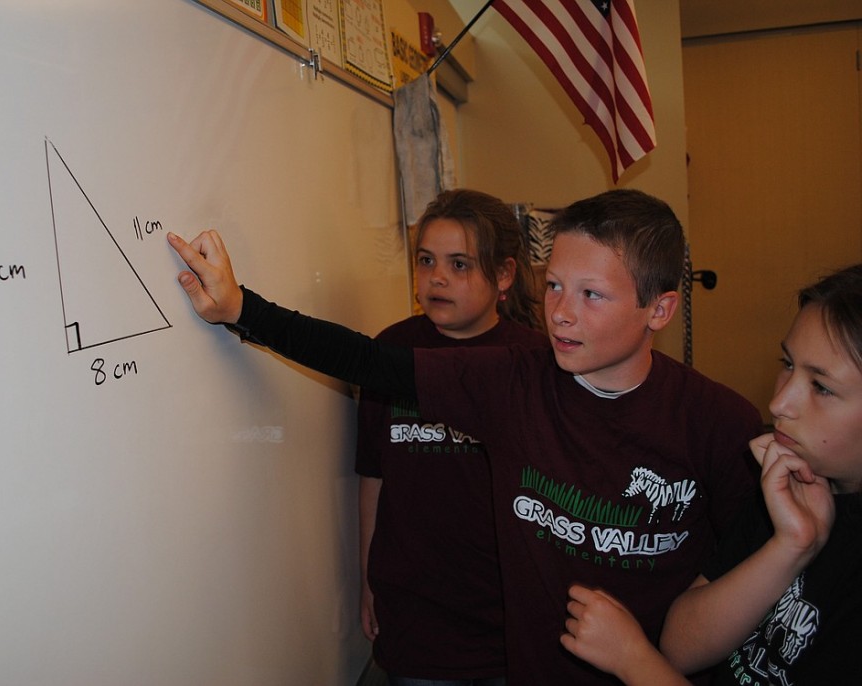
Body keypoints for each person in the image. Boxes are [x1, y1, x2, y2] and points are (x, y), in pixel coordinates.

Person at [166, 189, 762, 685]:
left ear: (659, 310)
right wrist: (241, 307)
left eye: (592, 295)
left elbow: (753, 590)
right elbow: (368, 361)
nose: (561, 312)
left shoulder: (721, 427)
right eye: (554, 286)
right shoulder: (514, 384)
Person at [560, 263, 862, 685]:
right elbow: (682, 645)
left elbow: (658, 658)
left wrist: (633, 659)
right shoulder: (794, 479)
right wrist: (792, 545)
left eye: (822, 388)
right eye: (788, 365)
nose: (779, 404)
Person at [356, 190, 545, 686]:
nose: (437, 278)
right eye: (426, 261)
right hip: (416, 616)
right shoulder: (391, 351)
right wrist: (367, 580)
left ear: (503, 275)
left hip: (507, 618)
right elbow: (373, 477)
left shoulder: (536, 363)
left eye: (459, 264)